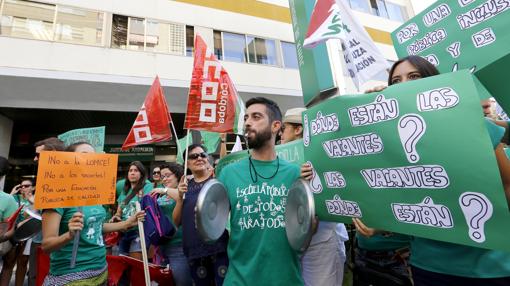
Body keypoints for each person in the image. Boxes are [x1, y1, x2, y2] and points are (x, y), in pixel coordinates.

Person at [355, 55, 510, 286]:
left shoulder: (476, 126)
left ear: (433, 81)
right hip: (429, 266)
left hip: (489, 267)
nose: (404, 84)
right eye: (395, 81)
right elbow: (400, 200)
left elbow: (507, 186)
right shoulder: (391, 144)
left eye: (414, 76)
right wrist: (383, 223)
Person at [216, 97, 303, 285]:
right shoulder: (228, 173)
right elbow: (212, 223)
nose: (247, 122)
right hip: (239, 280)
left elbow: (306, 228)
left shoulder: (295, 173)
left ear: (275, 126)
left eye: (256, 117)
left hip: (286, 279)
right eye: (246, 117)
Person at [41, 142, 145, 285]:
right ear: (69, 161)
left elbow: (96, 227)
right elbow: (46, 246)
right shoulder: (56, 195)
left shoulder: (94, 193)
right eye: (84, 156)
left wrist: (126, 223)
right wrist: (69, 235)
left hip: (101, 270)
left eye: (94, 156)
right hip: (72, 277)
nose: (91, 160)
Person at [282, 107, 345, 286]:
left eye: (284, 128)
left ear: (298, 129)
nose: (280, 134)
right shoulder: (281, 159)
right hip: (293, 240)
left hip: (320, 240)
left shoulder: (324, 152)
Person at [174, 144, 229, 286]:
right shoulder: (184, 186)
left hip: (219, 247)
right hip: (194, 250)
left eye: (203, 155)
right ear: (187, 163)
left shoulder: (218, 179)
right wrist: (180, 197)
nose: (199, 158)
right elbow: (176, 221)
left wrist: (223, 140)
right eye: (194, 156)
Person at [28, 137, 65, 286]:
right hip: (38, 241)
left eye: (39, 155)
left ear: (53, 154)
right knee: (35, 277)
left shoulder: (70, 182)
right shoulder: (44, 180)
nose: (35, 159)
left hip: (60, 249)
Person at [150, 163, 192, 286]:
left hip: (179, 246)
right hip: (162, 247)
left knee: (182, 282)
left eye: (167, 175)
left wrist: (165, 190)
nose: (164, 179)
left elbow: (183, 196)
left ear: (178, 175)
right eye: (162, 177)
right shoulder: (160, 195)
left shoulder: (186, 188)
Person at [111, 161, 153, 260]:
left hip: (138, 231)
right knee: (122, 264)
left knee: (136, 265)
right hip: (123, 232)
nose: (132, 173)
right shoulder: (125, 190)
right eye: (130, 171)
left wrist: (129, 224)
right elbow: (119, 210)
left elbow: (147, 211)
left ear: (141, 174)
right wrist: (116, 217)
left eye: (136, 170)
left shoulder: (147, 187)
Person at [0, 179, 35, 286]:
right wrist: (11, 193)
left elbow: (38, 215)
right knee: (9, 262)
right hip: (12, 233)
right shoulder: (13, 198)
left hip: (27, 233)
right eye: (21, 186)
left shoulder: (36, 200)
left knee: (23, 261)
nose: (23, 188)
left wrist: (31, 201)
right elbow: (5, 210)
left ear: (33, 187)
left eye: (26, 186)